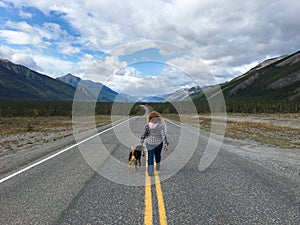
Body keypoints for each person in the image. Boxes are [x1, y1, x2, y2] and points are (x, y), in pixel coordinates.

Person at [141, 111, 169, 176]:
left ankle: (150, 172)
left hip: (149, 143)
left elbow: (143, 135)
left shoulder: (147, 126)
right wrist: (166, 143)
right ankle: (157, 167)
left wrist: (142, 143)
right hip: (159, 143)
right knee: (158, 155)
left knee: (150, 156)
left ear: (149, 118)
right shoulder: (160, 126)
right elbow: (163, 135)